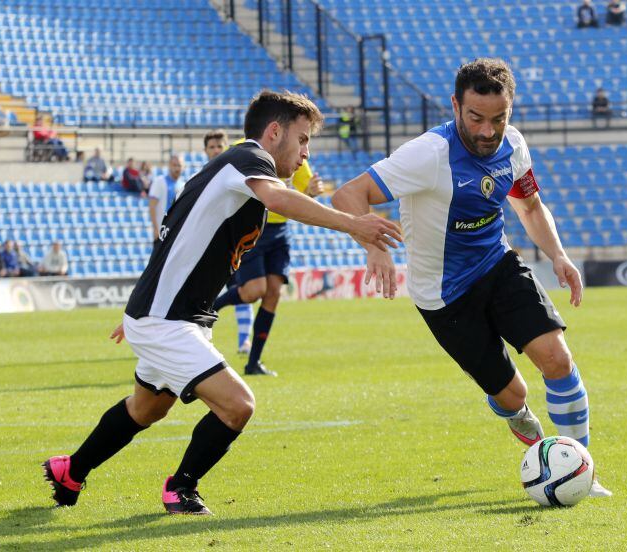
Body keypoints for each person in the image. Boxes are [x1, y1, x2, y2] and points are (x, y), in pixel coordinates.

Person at [41, 90, 401, 515]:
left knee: (147, 408)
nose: (306, 154)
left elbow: (174, 237)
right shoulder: (249, 159)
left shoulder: (228, 171)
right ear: (274, 132)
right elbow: (279, 199)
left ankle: (71, 470)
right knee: (238, 406)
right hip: (167, 319)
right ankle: (180, 488)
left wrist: (141, 308)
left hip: (169, 315)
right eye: (303, 140)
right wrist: (353, 223)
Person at [332, 58, 611, 498]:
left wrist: (557, 255)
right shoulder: (428, 153)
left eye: (498, 119)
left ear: (510, 111)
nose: (486, 131)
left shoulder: (513, 145)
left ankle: (581, 472)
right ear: (456, 106)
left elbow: (530, 207)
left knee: (556, 358)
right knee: (512, 396)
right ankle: (530, 435)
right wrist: (372, 245)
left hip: (497, 265)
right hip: (443, 296)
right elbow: (349, 194)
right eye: (476, 118)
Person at [212, 139, 326, 375]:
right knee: (254, 291)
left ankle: (253, 362)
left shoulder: (295, 153)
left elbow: (305, 194)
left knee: (273, 294)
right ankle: (211, 306)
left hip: (280, 231)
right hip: (252, 227)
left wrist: (312, 193)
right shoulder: (243, 147)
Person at [202, 129, 255, 356]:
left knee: (242, 292)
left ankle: (245, 341)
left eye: (219, 146)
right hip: (209, 248)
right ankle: (202, 341)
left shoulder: (237, 175)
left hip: (235, 246)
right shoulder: (201, 176)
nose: (215, 150)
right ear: (205, 151)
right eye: (211, 147)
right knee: (203, 297)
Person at [148, 155, 185, 239]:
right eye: (174, 165)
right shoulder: (159, 181)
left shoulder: (183, 185)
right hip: (161, 231)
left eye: (179, 165)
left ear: (183, 167)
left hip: (175, 231)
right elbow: (152, 206)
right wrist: (155, 228)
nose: (177, 168)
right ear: (169, 165)